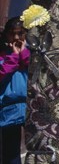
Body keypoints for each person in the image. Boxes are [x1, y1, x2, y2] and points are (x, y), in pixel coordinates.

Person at [0, 17, 30, 164]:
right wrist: (13, 57)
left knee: (37, 145)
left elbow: (32, 68)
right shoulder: (3, 54)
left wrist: (22, 54)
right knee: (11, 151)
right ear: (7, 34)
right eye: (13, 34)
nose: (17, 37)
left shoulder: (32, 51)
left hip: (30, 107)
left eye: (20, 33)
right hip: (9, 108)